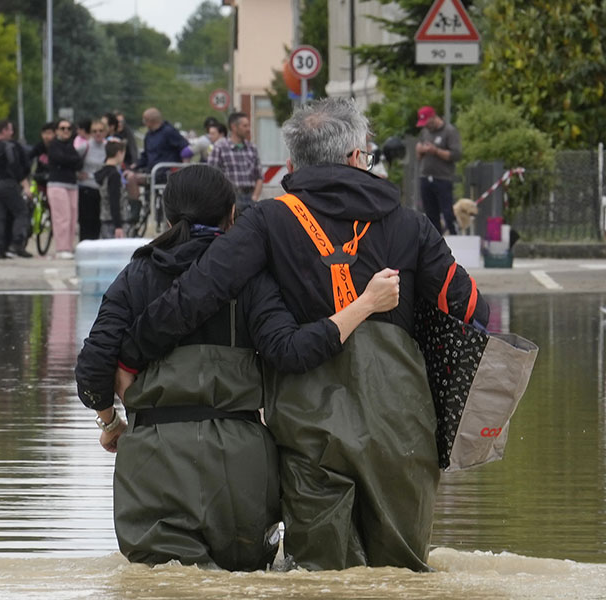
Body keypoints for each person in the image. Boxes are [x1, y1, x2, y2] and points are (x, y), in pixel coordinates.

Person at [118, 98, 488, 572]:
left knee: (320, 576)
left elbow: (195, 294)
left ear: (293, 163)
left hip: (309, 423)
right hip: (401, 423)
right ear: (357, 158)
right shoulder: (410, 224)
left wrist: (130, 355)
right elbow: (472, 308)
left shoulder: (268, 220)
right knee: (401, 575)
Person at [76, 164, 400, 571]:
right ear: (232, 214)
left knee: (163, 585)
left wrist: (110, 422)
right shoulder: (252, 280)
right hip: (241, 466)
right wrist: (366, 303)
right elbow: (291, 351)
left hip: (152, 457)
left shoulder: (135, 276)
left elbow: (92, 368)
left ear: (167, 213)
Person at [0, 119, 32, 259]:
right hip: (8, 183)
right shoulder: (9, 147)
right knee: (21, 211)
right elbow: (15, 167)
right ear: (4, 130)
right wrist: (25, 185)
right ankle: (16, 243)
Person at [124, 108, 193, 205]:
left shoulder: (169, 132)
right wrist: (134, 166)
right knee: (131, 178)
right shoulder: (148, 135)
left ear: (150, 121)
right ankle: (135, 210)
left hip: (166, 173)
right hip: (151, 172)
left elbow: (185, 148)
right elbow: (145, 156)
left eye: (144, 120)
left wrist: (183, 168)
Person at [416, 105, 462, 235]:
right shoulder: (425, 132)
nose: (426, 126)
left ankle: (455, 237)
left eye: (427, 123)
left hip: (442, 178)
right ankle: (435, 242)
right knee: (430, 215)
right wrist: (420, 150)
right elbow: (418, 154)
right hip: (425, 177)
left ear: (433, 117)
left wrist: (435, 151)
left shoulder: (449, 131)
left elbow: (456, 155)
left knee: (448, 213)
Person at [208, 112, 263, 215]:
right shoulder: (220, 147)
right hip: (230, 198)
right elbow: (212, 176)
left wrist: (255, 197)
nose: (248, 129)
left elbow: (259, 176)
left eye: (248, 125)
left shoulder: (252, 148)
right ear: (234, 127)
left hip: (250, 198)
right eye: (245, 126)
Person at [46, 118, 83, 260]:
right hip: (57, 184)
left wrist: (70, 160)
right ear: (56, 131)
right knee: (62, 217)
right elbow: (59, 159)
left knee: (73, 217)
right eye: (62, 128)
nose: (66, 131)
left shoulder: (71, 145)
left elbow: (78, 163)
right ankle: (61, 248)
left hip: (72, 184)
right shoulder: (54, 145)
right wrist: (71, 160)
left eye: (68, 128)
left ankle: (69, 246)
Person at [77, 117, 107, 241]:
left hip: (102, 189)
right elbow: (72, 161)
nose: (98, 133)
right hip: (86, 188)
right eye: (94, 131)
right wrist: (76, 174)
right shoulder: (85, 147)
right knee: (86, 221)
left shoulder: (108, 147)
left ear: (105, 132)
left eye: (100, 130)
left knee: (99, 221)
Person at [94, 141, 126, 239]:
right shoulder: (114, 175)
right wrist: (118, 225)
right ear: (119, 153)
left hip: (104, 216)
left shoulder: (102, 172)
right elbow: (114, 200)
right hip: (114, 220)